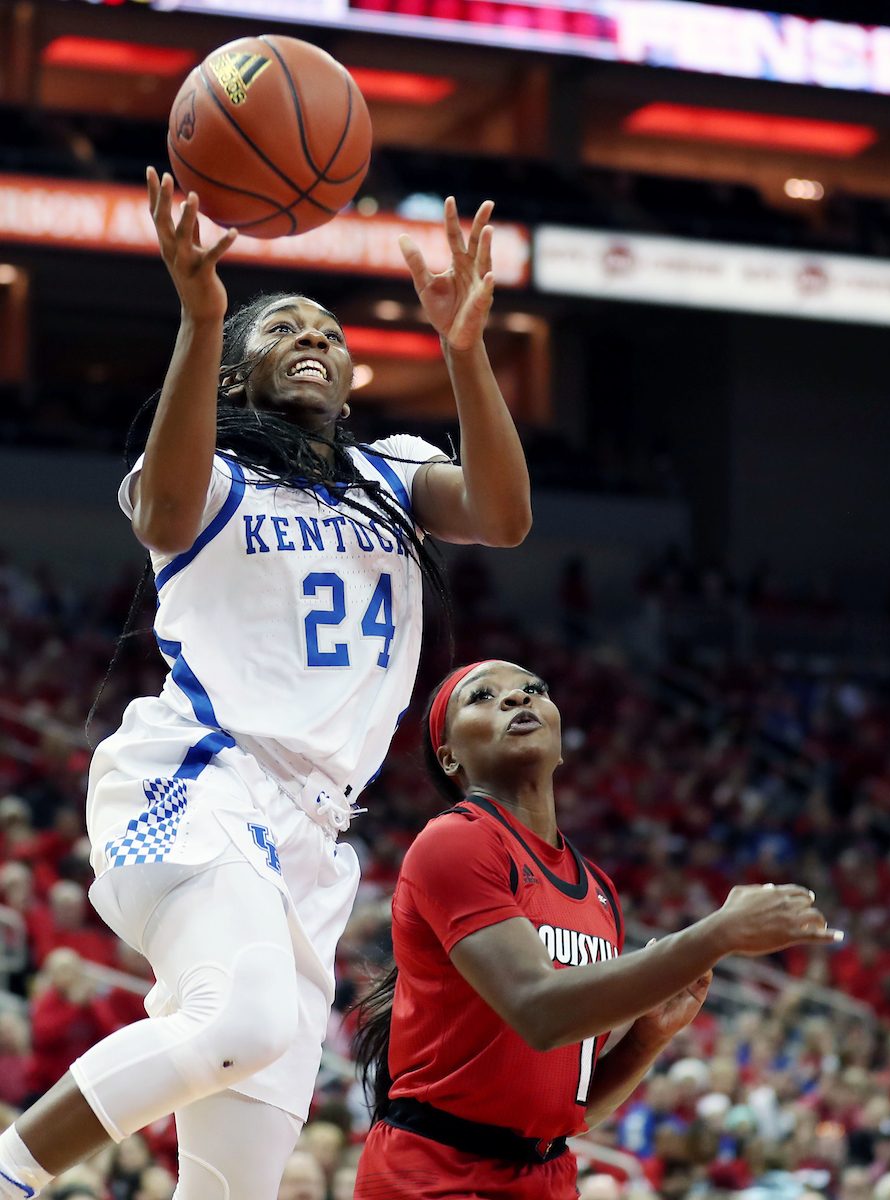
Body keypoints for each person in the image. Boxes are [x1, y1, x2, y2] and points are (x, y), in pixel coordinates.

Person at [0, 174, 531, 1200]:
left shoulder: (392, 476)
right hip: (200, 782)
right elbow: (159, 514)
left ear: (351, 373)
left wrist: (465, 352)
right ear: (238, 373)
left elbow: (503, 517)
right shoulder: (212, 472)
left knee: (240, 1175)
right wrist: (202, 316)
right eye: (282, 325)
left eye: (329, 332)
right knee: (238, 1022)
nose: (312, 339)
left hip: (311, 834)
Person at [353, 659, 843, 1200]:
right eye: (484, 697)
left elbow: (570, 1106)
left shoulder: (598, 890)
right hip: (435, 1172)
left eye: (532, 689)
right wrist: (719, 933)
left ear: (561, 741)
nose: (517, 700)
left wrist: (648, 1038)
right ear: (450, 759)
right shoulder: (456, 841)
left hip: (546, 1173)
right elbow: (540, 1009)